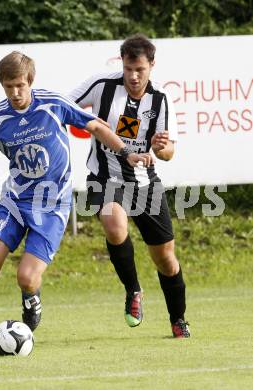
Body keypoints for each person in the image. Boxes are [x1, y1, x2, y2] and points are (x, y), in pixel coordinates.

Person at [0, 51, 152, 353]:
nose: (15, 92)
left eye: (20, 85)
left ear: (30, 81)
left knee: (27, 278)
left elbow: (96, 126)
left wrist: (127, 153)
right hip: (14, 202)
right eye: (9, 87)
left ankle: (31, 300)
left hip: (52, 205)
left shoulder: (52, 104)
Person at [69, 34, 190, 338]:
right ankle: (133, 290)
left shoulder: (161, 99)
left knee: (165, 258)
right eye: (128, 69)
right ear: (121, 63)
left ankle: (178, 320)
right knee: (113, 223)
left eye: (140, 70)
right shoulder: (101, 84)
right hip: (105, 177)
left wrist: (160, 148)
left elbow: (169, 153)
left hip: (145, 184)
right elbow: (63, 105)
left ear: (152, 65)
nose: (134, 76)